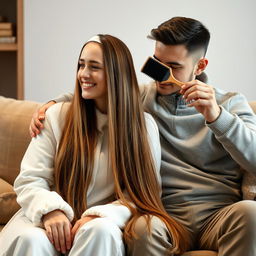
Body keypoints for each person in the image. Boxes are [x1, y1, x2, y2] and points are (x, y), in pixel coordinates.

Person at [28, 17, 256, 256]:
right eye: (157, 63)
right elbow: (102, 89)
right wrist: (53, 103)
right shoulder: (140, 99)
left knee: (251, 214)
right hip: (165, 216)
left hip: (219, 214)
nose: (161, 75)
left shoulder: (230, 103)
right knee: (141, 228)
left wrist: (217, 116)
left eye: (174, 66)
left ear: (200, 66)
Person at [0, 34, 189, 256]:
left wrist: (100, 214)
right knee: (31, 239)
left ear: (115, 74)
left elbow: (143, 194)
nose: (84, 74)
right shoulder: (55, 116)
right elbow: (30, 179)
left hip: (104, 221)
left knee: (99, 231)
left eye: (94, 67)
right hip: (46, 217)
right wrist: (50, 211)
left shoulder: (144, 127)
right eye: (81, 65)